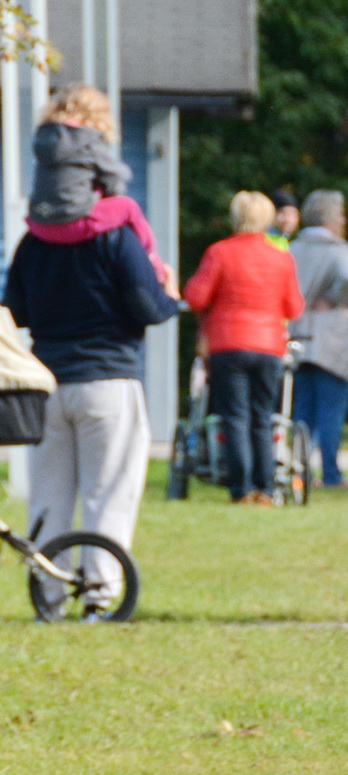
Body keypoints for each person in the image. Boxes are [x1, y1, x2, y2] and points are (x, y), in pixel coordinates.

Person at [2, 184, 179, 615]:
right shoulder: (117, 236)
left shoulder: (35, 238)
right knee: (109, 494)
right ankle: (99, 598)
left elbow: (16, 308)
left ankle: (49, 594)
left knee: (48, 495)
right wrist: (169, 293)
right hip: (109, 380)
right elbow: (148, 307)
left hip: (47, 385)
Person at [184, 191, 306, 504]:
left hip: (228, 344)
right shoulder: (281, 258)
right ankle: (265, 489)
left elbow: (196, 297)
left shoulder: (219, 253)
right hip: (268, 346)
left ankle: (241, 489)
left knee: (235, 417)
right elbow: (294, 307)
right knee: (263, 416)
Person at [25, 84, 169, 286]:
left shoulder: (43, 138)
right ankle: (151, 261)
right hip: (73, 223)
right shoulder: (88, 139)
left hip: (40, 224)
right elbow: (115, 176)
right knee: (128, 207)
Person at [288, 189, 348, 487]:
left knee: (302, 409)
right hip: (331, 338)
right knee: (332, 408)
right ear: (330, 217)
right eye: (340, 214)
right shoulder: (341, 251)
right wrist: (332, 299)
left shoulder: (292, 248)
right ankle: (331, 472)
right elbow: (346, 279)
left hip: (297, 335)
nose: (343, 220)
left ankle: (299, 470)